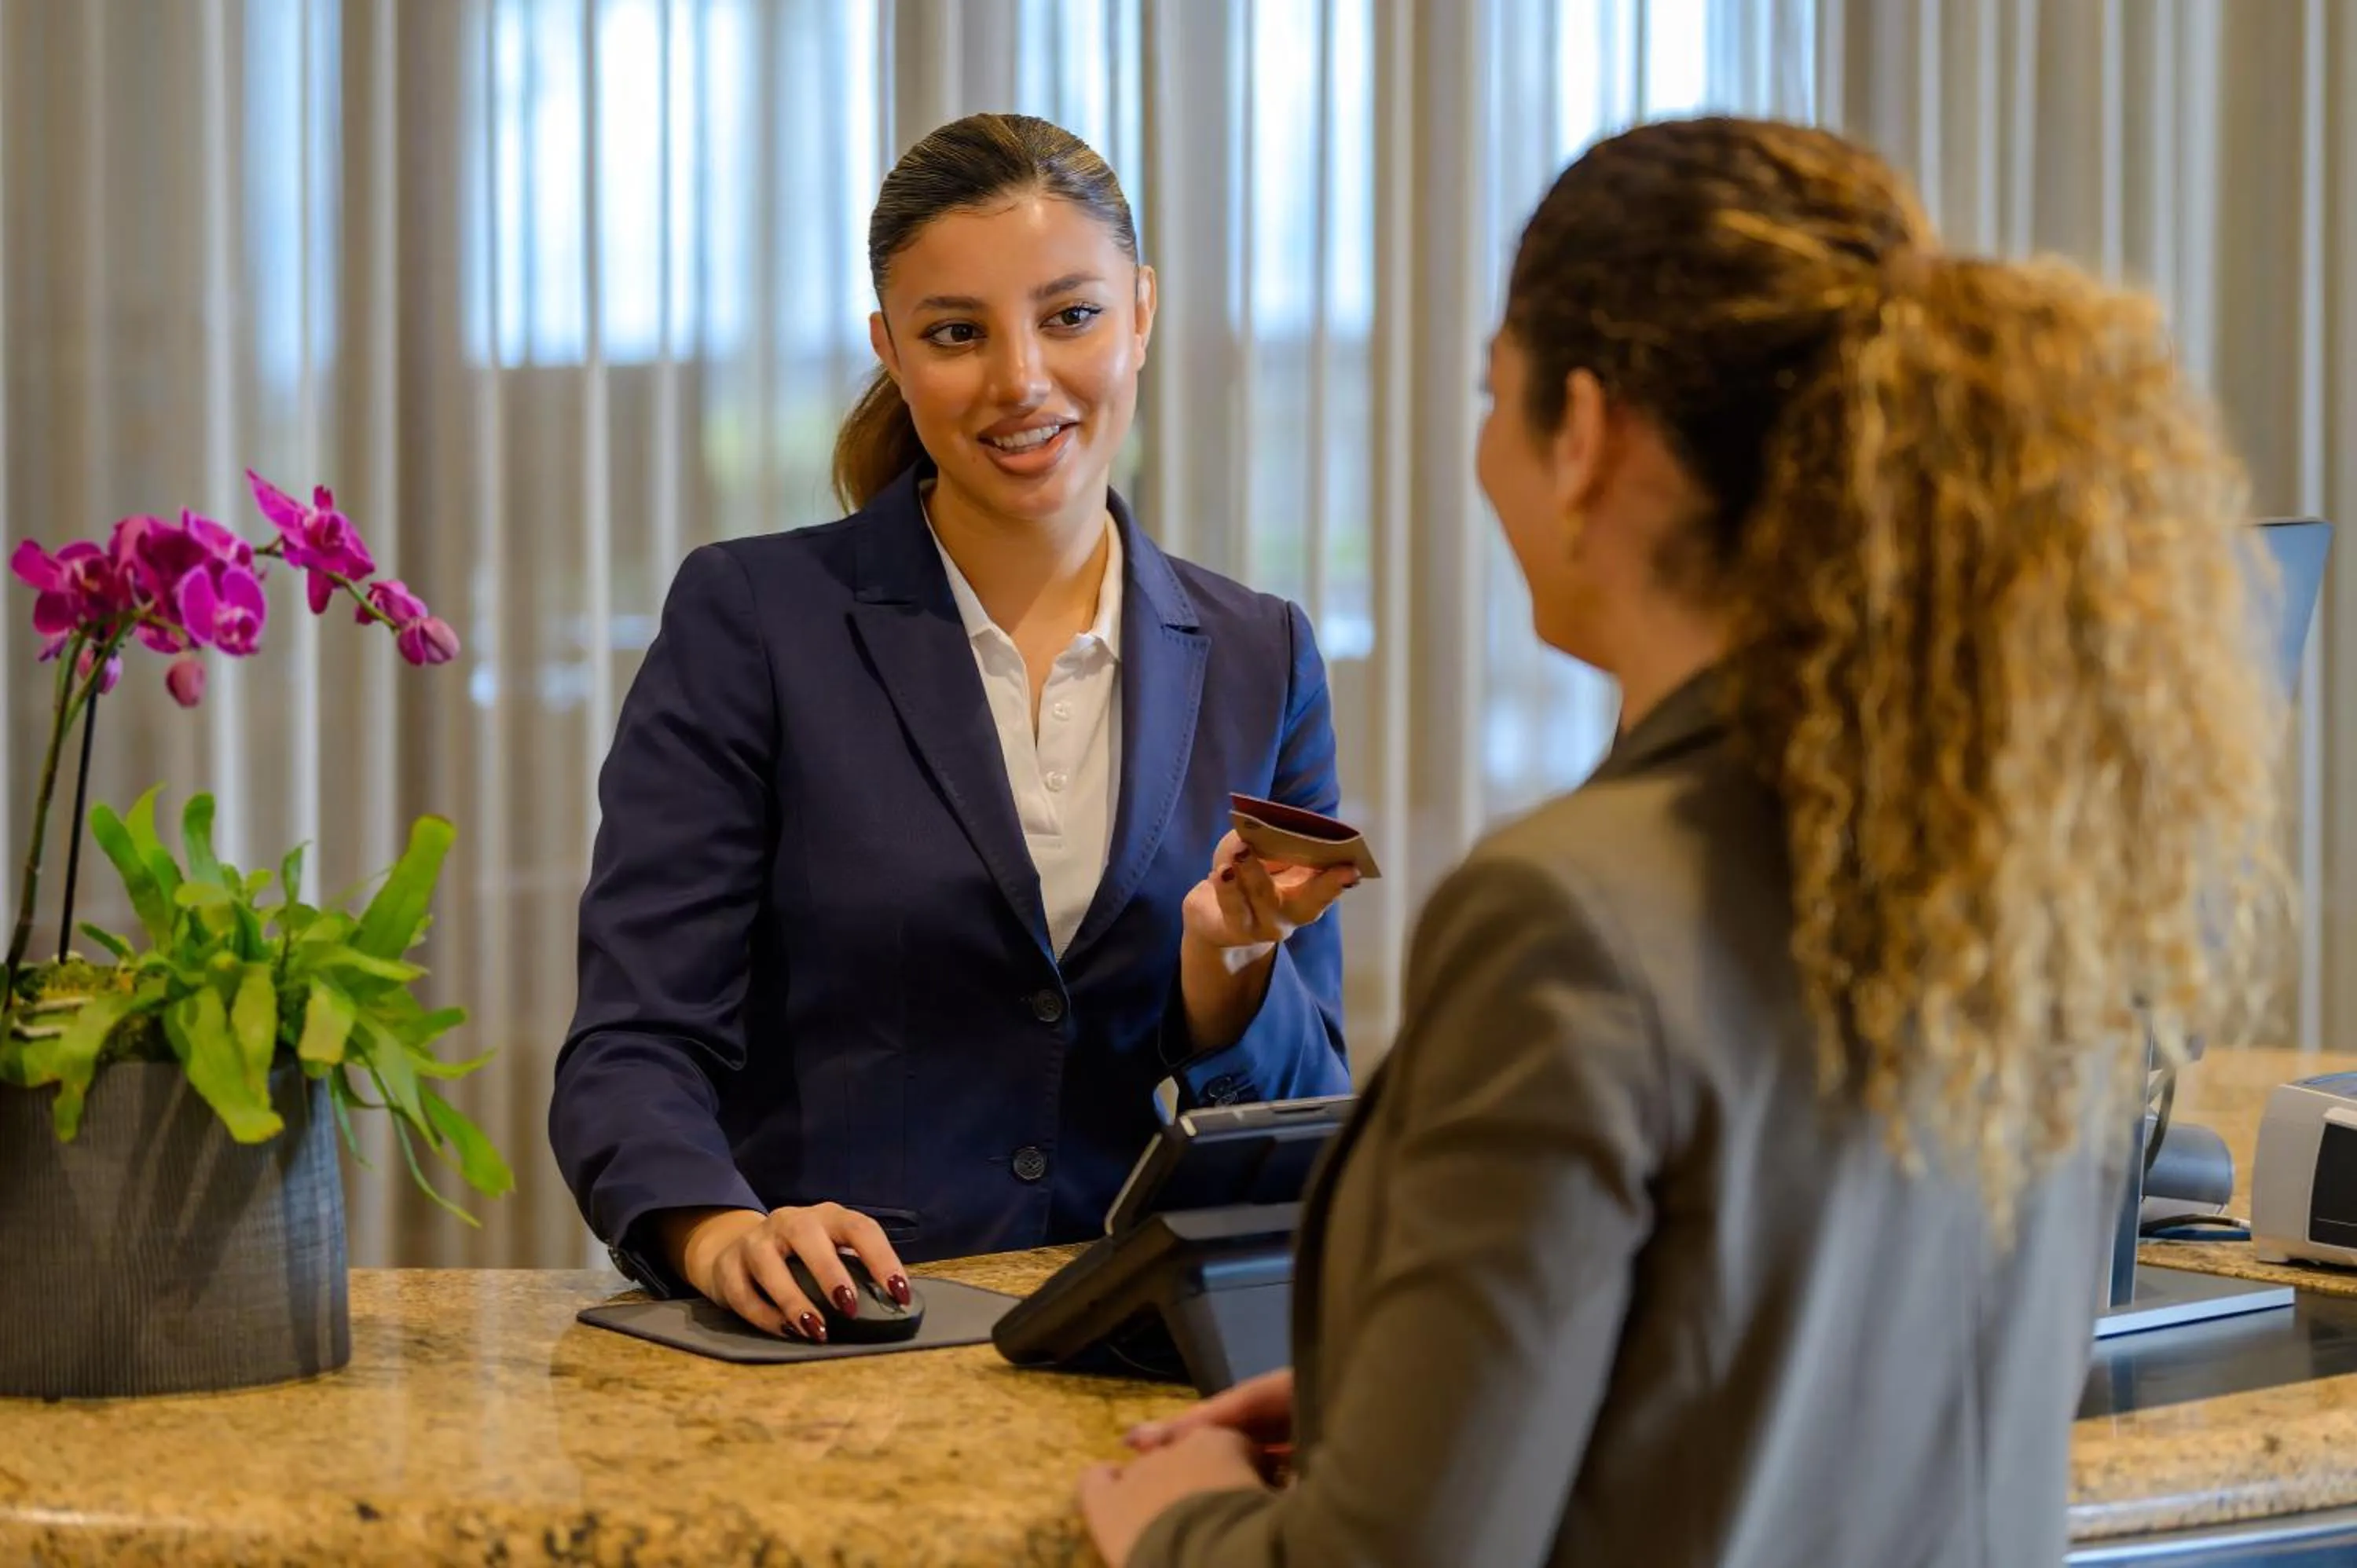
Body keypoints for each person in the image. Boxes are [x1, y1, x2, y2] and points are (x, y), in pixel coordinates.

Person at [1077, 115, 2289, 1567]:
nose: (1483, 448)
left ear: (1584, 434)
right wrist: (1402, 1410)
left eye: (1495, 393)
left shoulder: (1569, 919)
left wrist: (1178, 1526)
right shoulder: (2026, 859)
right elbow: (1820, 1376)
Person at [550, 113, 1357, 1343]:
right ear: (889, 347)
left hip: (1136, 1358)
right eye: (956, 333)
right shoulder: (754, 619)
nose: (1020, 379)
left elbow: (1302, 1121)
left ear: (1142, 312)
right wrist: (714, 1231)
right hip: (835, 1350)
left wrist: (1231, 974)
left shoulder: (1264, 656)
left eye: (1071, 315)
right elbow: (633, 1041)